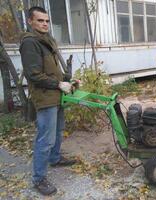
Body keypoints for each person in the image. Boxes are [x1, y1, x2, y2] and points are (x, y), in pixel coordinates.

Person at [20, 6, 76, 196]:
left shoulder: (46, 41)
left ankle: (55, 158)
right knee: (46, 138)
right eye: (40, 20)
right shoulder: (30, 43)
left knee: (59, 131)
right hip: (45, 98)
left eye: (46, 21)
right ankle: (38, 178)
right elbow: (34, 74)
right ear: (30, 21)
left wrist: (68, 80)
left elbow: (53, 70)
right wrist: (59, 84)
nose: (44, 24)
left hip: (56, 95)